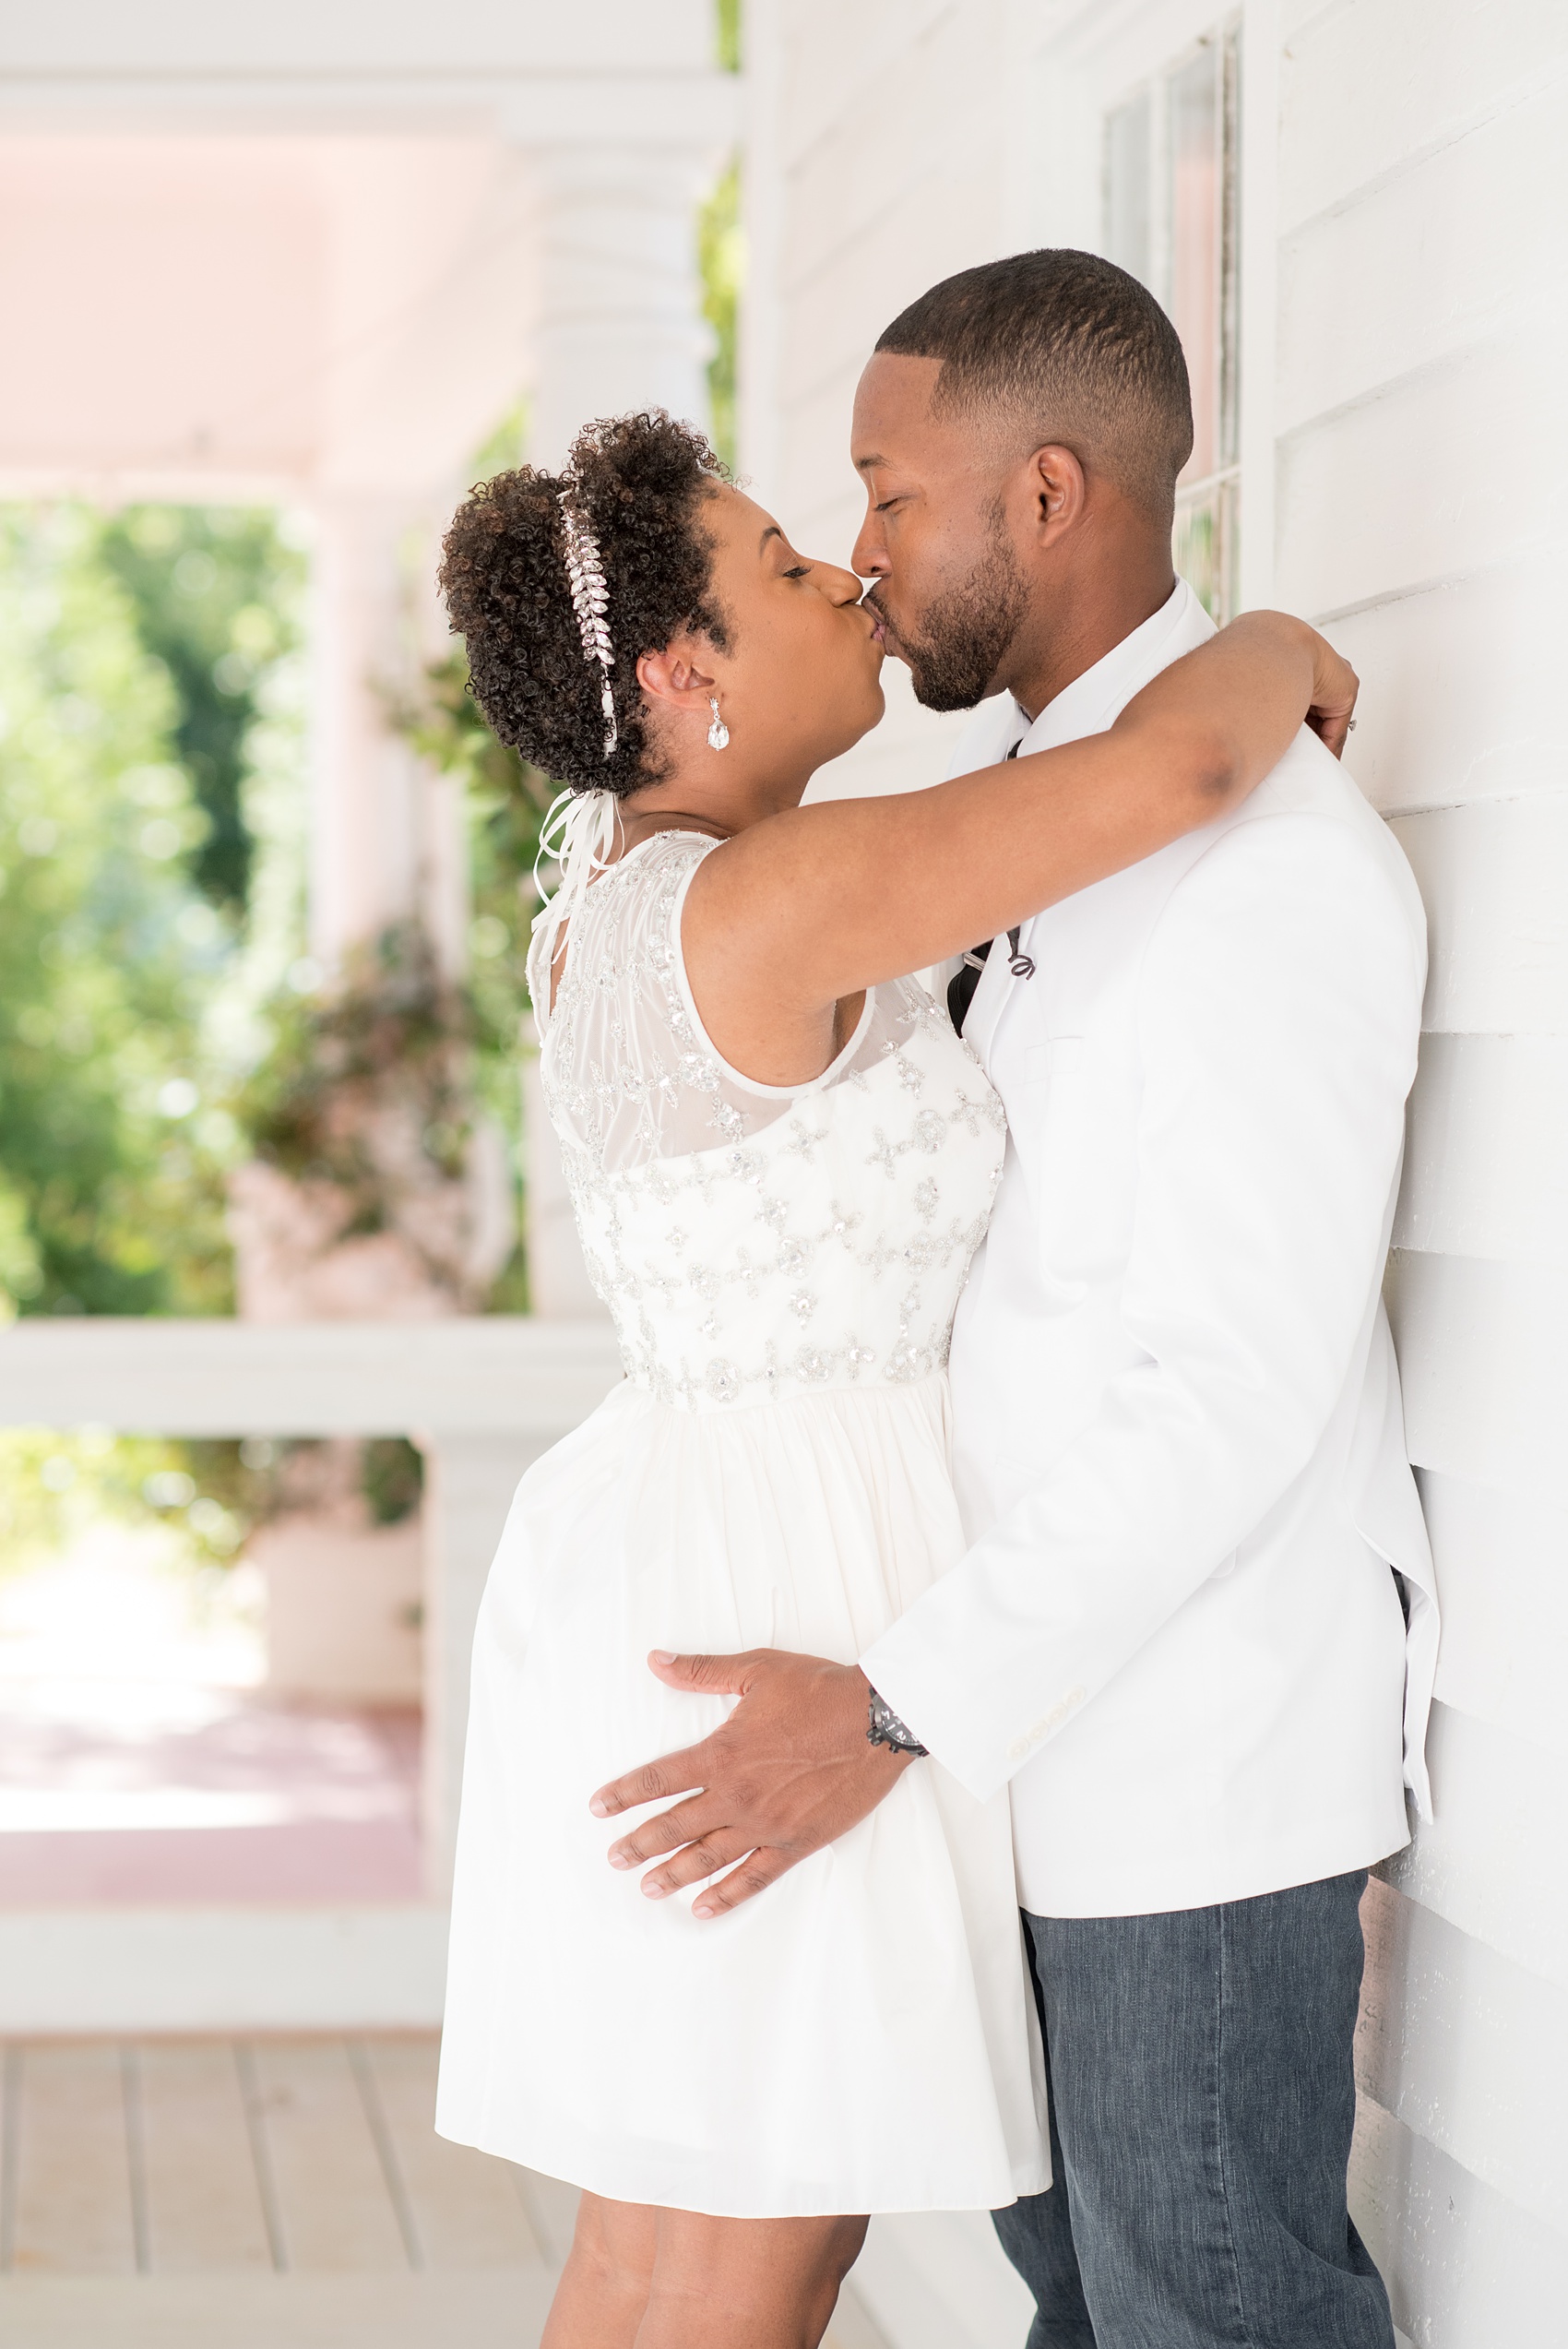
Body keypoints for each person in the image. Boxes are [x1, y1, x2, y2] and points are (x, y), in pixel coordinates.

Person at [432, 381, 1357, 2343]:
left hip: (671, 1549)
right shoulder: (776, 893)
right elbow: (1185, 776)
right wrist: (1271, 633)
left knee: (677, 2236)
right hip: (784, 1582)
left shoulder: (616, 888)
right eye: (785, 565)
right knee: (751, 2252)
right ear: (688, 675)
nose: (845, 570)